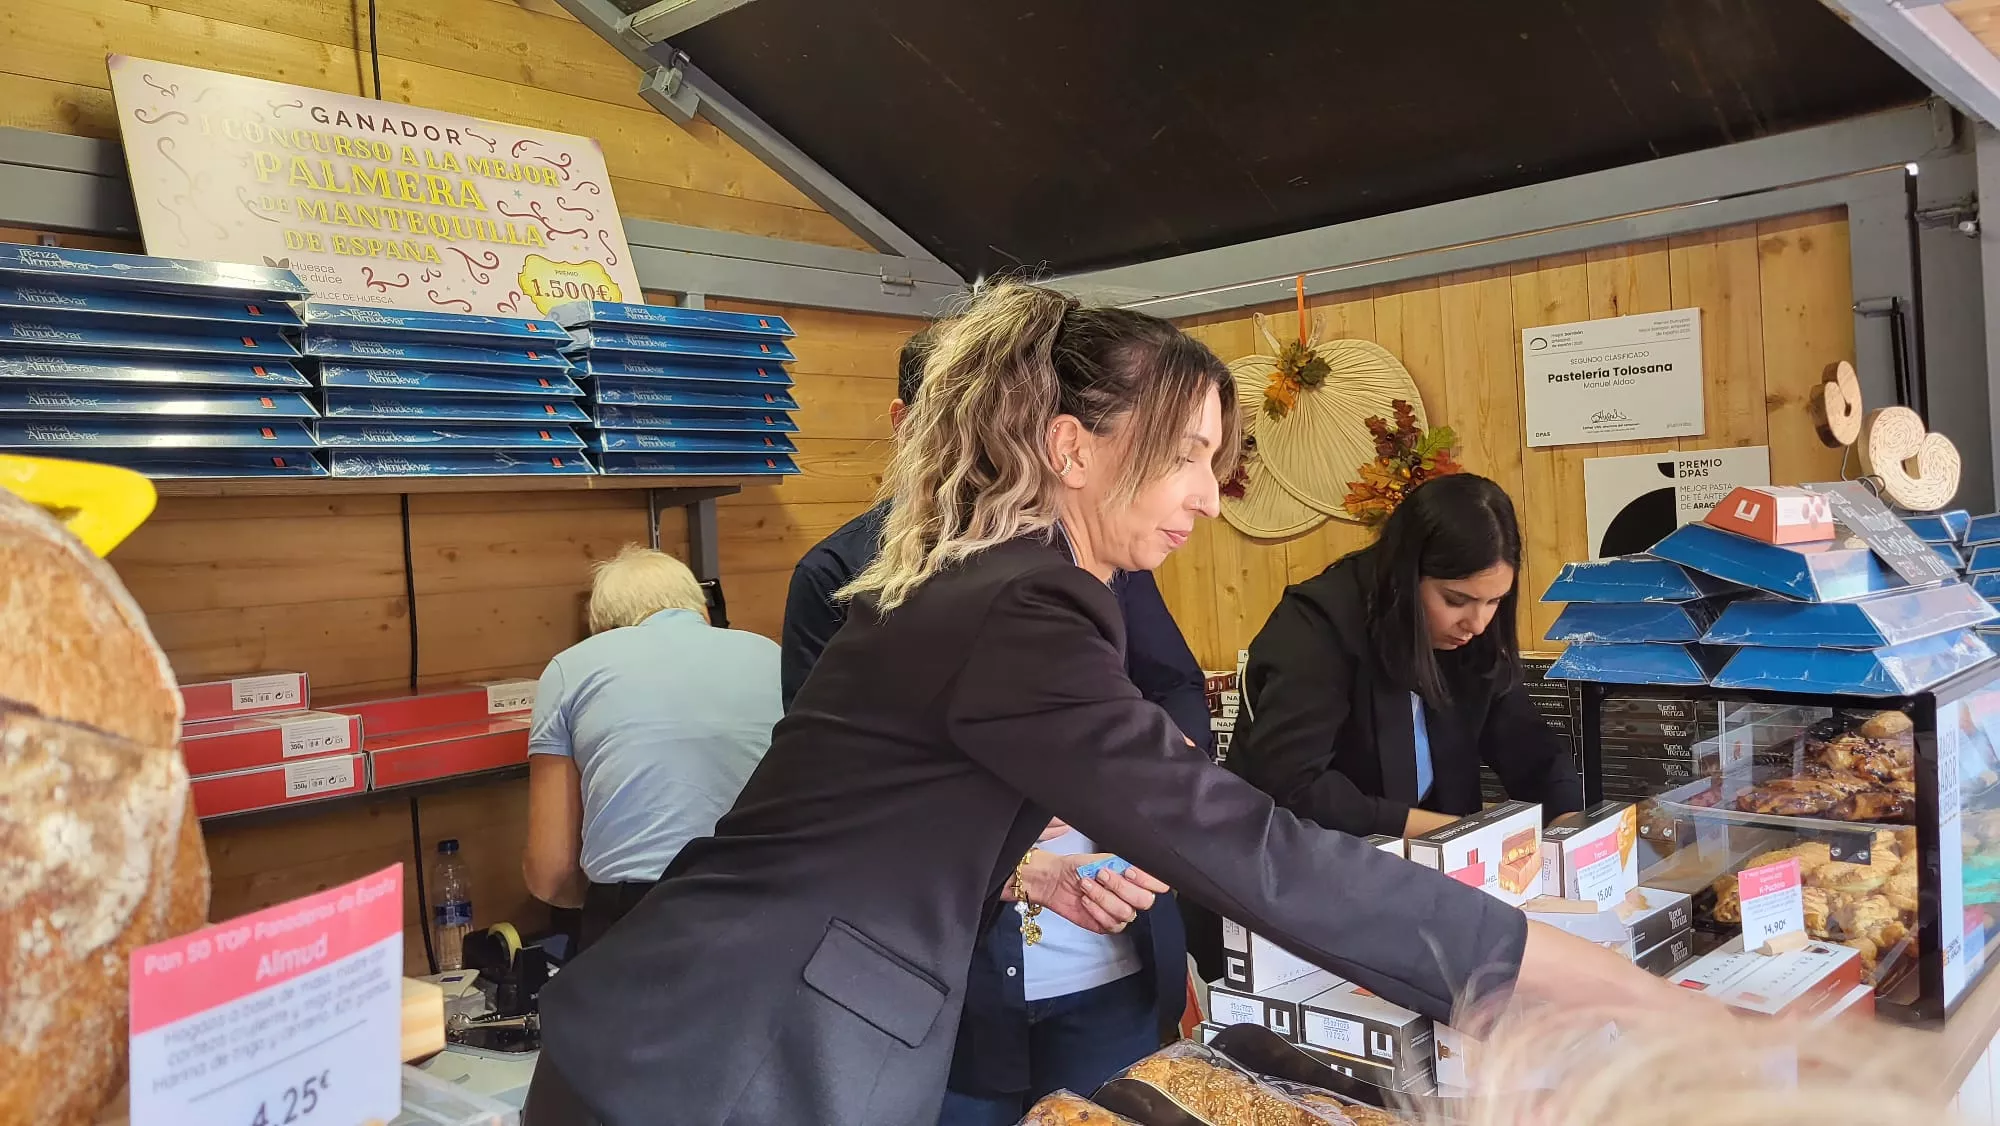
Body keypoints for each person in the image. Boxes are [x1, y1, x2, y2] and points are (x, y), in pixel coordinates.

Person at [526, 282, 1692, 1126]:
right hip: (727, 1064)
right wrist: (1609, 993)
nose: (1207, 496)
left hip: (677, 1031)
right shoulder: (1021, 602)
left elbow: (890, 820)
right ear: (1071, 447)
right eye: (1187, 455)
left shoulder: (981, 579)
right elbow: (1258, 849)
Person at [781, 327, 1210, 1123]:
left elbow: (1177, 686)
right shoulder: (844, 576)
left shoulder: (1091, 548)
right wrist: (1018, 849)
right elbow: (847, 810)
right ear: (908, 423)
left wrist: (1149, 778)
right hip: (947, 989)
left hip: (1110, 964)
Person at [1228, 473, 1584, 840]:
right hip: (1308, 863)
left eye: (1494, 601)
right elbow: (1294, 785)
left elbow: (1528, 744)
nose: (1477, 624)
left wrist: (1565, 821)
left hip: (1434, 858)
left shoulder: (1470, 632)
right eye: (1456, 600)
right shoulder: (1316, 626)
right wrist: (1452, 832)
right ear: (1406, 576)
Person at [521, 545, 781, 952]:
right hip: (773, 901)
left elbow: (550, 872)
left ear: (604, 630)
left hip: (638, 915)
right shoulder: (771, 654)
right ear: (704, 614)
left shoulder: (570, 668)